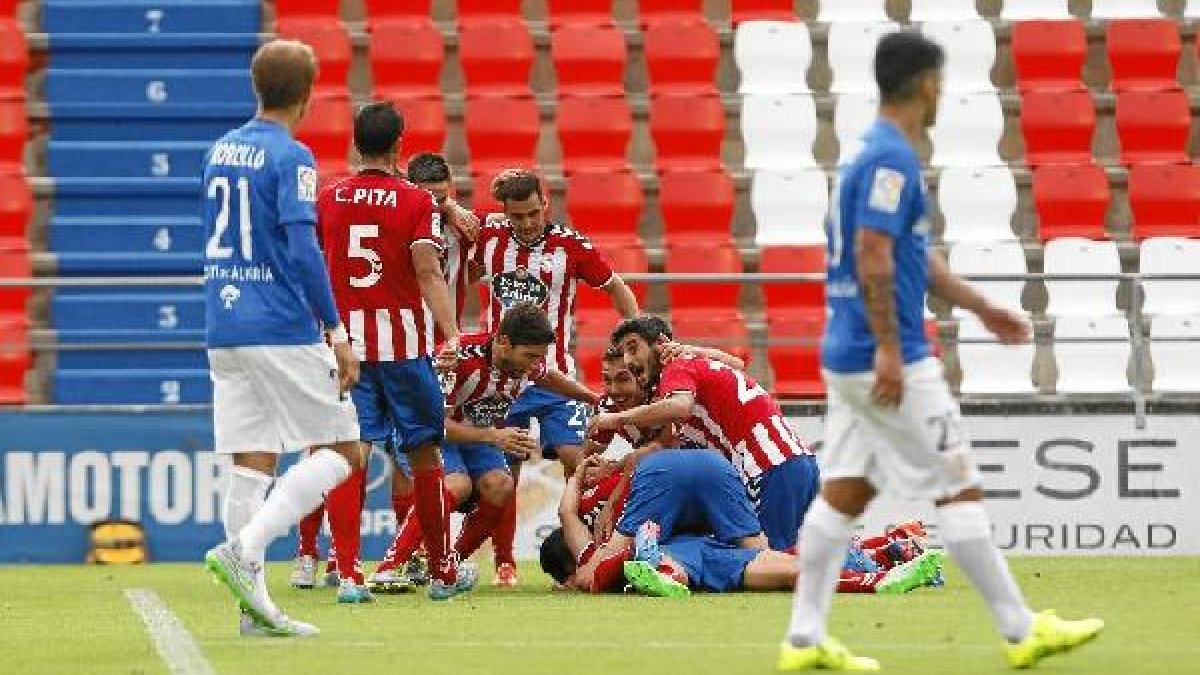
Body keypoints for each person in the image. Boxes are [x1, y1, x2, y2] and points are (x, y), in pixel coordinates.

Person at [777, 31, 1104, 672]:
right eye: (941, 82)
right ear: (927, 83)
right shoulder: (890, 160)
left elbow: (909, 256)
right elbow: (873, 254)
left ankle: (804, 640)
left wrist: (980, 306)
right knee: (959, 486)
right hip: (887, 356)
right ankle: (1021, 630)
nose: (942, 93)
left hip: (847, 354)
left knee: (843, 493)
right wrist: (890, 350)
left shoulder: (867, 156)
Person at [201, 39, 362, 637]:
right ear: (307, 95)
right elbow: (302, 248)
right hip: (278, 324)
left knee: (252, 463)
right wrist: (336, 330)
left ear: (256, 85)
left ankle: (253, 612)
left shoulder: (219, 150)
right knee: (344, 450)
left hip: (224, 324)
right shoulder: (291, 156)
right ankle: (244, 548)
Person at [291, 152, 484, 593]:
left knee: (348, 454)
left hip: (349, 347)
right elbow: (428, 271)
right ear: (398, 150)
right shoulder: (415, 202)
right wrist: (454, 335)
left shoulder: (331, 198)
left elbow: (304, 259)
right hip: (407, 349)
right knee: (422, 455)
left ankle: (349, 571)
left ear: (357, 149)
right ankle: (440, 571)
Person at [472, 169, 640, 587]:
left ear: (545, 205)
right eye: (517, 217)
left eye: (533, 213)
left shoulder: (571, 245)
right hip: (501, 380)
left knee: (577, 459)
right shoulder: (489, 239)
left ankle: (583, 554)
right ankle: (505, 562)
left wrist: (640, 340)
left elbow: (617, 288)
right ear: (504, 213)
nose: (527, 223)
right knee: (506, 469)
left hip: (556, 376)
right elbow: (451, 252)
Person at [371, 303, 602, 584]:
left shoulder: (526, 365)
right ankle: (390, 565)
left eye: (539, 358)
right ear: (503, 342)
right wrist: (494, 436)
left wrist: (592, 398)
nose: (534, 365)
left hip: (474, 434)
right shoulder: (457, 360)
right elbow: (433, 424)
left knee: (500, 485)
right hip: (429, 432)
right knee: (457, 485)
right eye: (530, 356)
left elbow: (548, 377)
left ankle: (448, 565)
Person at [543, 454, 943, 597]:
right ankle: (883, 557)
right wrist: (579, 474)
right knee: (785, 562)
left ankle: (652, 565)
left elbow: (567, 518)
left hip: (686, 553)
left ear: (562, 578)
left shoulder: (588, 556)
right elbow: (567, 513)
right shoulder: (604, 527)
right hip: (712, 540)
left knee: (601, 575)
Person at [590, 316, 820, 552]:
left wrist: (616, 419)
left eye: (633, 348)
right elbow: (737, 363)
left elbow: (680, 407)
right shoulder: (693, 364)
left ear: (660, 343)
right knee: (806, 557)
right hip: (796, 461)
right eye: (624, 353)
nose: (628, 360)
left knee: (771, 561)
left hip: (769, 467)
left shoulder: (675, 368)